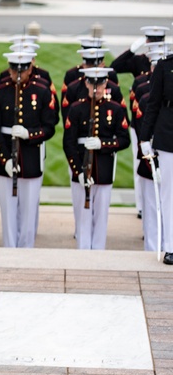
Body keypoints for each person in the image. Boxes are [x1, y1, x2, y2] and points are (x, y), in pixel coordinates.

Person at [0, 51, 58, 248]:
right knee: (8, 212)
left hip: (31, 157)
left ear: (30, 69)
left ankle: (27, 249)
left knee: (28, 213)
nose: (17, 74)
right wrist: (6, 160)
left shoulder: (42, 92)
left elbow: (50, 126)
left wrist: (30, 134)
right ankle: (9, 248)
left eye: (23, 69)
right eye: (13, 69)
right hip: (6, 160)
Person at [63, 67, 130, 250]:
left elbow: (124, 139)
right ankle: (83, 251)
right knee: (83, 216)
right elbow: (68, 143)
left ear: (106, 83)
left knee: (101, 215)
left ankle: (98, 251)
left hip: (104, 167)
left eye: (100, 83)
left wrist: (103, 144)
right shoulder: (77, 109)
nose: (96, 88)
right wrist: (78, 171)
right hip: (82, 167)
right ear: (86, 83)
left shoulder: (114, 109)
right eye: (92, 83)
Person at [134, 39, 173, 263]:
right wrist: (144, 137)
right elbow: (154, 103)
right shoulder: (165, 66)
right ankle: (170, 245)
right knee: (169, 193)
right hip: (168, 134)